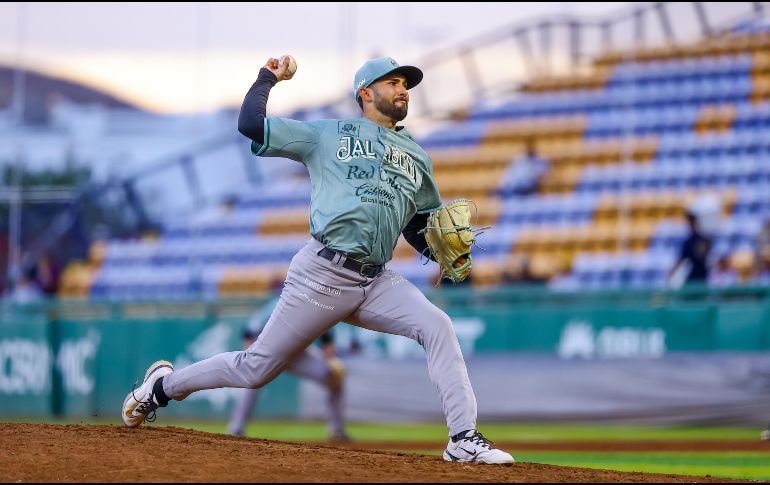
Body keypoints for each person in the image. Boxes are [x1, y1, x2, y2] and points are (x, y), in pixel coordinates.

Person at [122, 55, 514, 465]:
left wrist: (443, 252)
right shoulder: (327, 135)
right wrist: (267, 78)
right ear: (365, 93)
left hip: (377, 281)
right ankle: (162, 387)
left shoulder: (417, 157)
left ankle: (463, 438)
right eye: (393, 82)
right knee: (255, 368)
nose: (403, 90)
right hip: (323, 272)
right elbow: (250, 126)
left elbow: (418, 226)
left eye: (406, 84)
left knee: (437, 325)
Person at [228, 297, 349, 443]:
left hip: (298, 355)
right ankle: (236, 429)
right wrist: (251, 358)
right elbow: (248, 332)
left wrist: (330, 355)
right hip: (270, 353)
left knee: (335, 378)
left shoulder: (313, 304)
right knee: (249, 381)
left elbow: (325, 333)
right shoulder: (277, 304)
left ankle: (336, 430)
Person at [667, 211, 712, 286]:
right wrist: (672, 272)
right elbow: (681, 258)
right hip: (695, 274)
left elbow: (704, 255)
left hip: (701, 274)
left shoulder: (702, 240)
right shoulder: (690, 241)